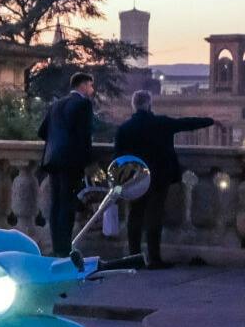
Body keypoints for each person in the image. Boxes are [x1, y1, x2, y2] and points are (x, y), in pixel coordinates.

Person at [113, 88, 216, 268]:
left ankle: (134, 258)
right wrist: (211, 121)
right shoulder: (161, 123)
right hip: (160, 176)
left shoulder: (124, 128)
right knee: (155, 215)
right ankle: (154, 258)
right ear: (149, 104)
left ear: (134, 105)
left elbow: (118, 157)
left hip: (135, 178)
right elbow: (186, 124)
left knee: (135, 216)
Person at [37, 72, 98, 258]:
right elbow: (84, 135)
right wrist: (88, 162)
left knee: (56, 205)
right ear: (83, 85)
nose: (92, 90)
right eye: (91, 86)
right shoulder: (83, 104)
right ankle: (65, 248)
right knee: (67, 204)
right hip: (71, 161)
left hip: (52, 159)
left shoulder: (56, 104)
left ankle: (57, 247)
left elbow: (42, 131)